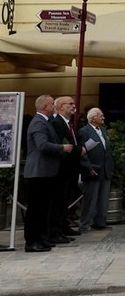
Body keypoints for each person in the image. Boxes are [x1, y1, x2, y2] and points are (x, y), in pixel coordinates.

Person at [22, 95, 71, 252]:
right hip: (38, 172)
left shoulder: (46, 121)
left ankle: (42, 238)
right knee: (36, 209)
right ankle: (32, 241)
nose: (54, 106)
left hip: (46, 172)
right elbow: (42, 145)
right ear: (44, 107)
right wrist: (61, 148)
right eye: (51, 104)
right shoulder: (38, 122)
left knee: (44, 208)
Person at [48, 96, 80, 240]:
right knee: (58, 201)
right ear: (61, 106)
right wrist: (79, 151)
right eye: (70, 104)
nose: (74, 106)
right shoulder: (57, 123)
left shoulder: (68, 123)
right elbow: (62, 144)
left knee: (65, 200)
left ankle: (63, 226)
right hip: (61, 169)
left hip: (69, 168)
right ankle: (57, 230)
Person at [77, 107, 114, 233]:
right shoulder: (84, 131)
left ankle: (100, 222)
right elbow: (82, 152)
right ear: (93, 118)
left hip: (105, 168)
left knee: (103, 198)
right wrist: (88, 167)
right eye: (101, 116)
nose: (103, 118)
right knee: (90, 198)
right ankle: (85, 223)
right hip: (93, 168)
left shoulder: (103, 130)